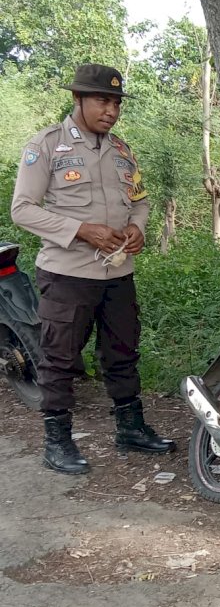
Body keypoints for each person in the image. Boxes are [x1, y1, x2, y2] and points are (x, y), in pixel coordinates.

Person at [11, 63, 174, 475]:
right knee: (59, 358)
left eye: (116, 103)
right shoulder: (47, 145)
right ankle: (58, 440)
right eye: (102, 100)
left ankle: (130, 428)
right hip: (67, 273)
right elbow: (23, 210)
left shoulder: (121, 150)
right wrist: (80, 230)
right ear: (77, 99)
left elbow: (141, 200)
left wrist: (137, 228)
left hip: (117, 273)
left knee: (122, 352)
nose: (111, 111)